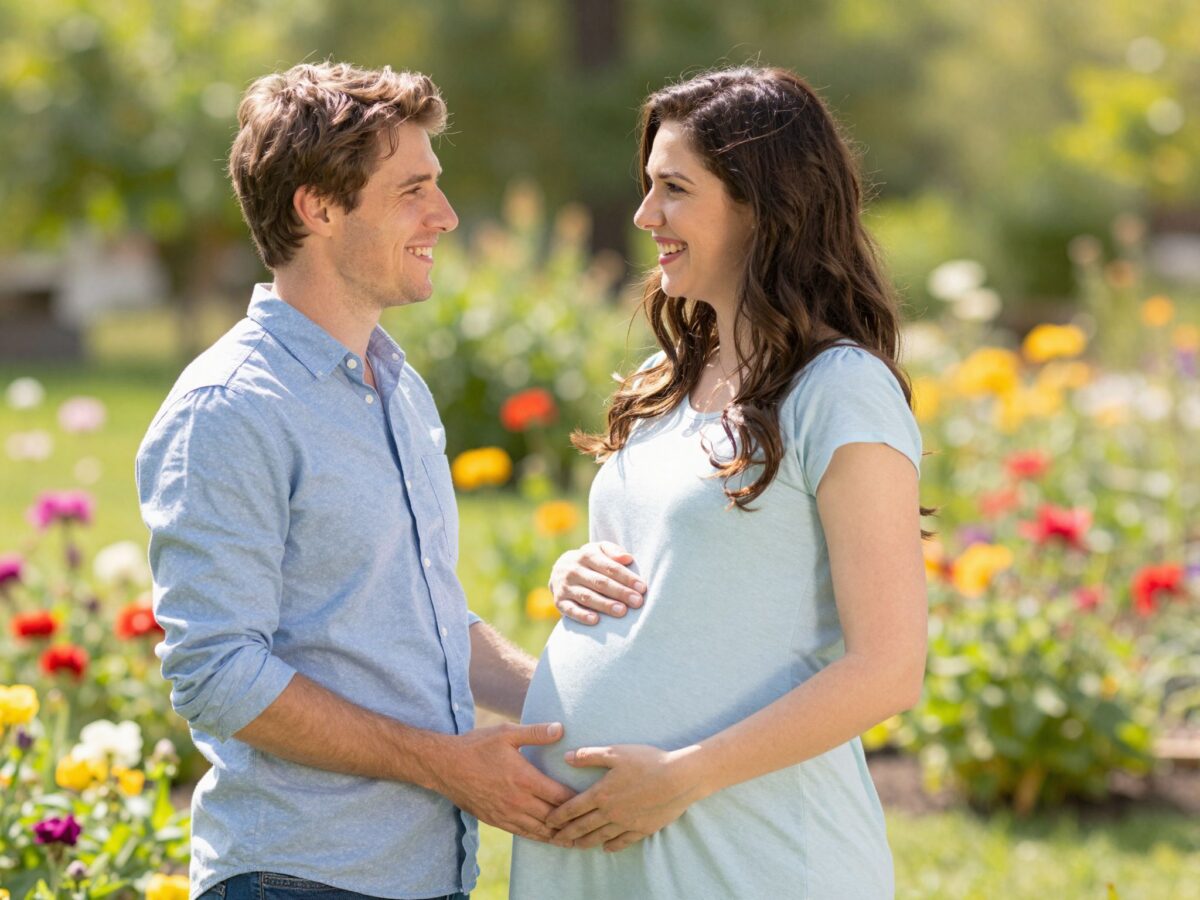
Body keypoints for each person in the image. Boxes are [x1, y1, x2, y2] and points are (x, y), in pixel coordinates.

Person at [135, 61, 624, 900]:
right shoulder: (230, 408)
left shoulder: (396, 386)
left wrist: (575, 706)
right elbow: (218, 672)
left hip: (423, 874)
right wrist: (446, 766)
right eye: (412, 191)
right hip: (298, 880)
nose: (446, 215)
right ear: (319, 209)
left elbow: (417, 615)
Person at [510, 66, 931, 898]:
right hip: (594, 854)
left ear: (764, 206)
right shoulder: (660, 382)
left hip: (746, 851)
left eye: (674, 189)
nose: (645, 215)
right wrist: (576, 572)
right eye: (647, 186)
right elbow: (686, 570)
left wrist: (684, 776)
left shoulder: (840, 389)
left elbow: (889, 667)